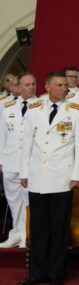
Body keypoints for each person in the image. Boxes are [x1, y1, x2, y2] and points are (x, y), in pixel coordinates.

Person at [18, 72, 79, 285]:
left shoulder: (76, 111)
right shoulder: (34, 109)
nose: (63, 88)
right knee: (38, 228)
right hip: (37, 176)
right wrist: (24, 173)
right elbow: (27, 144)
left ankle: (57, 273)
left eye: (65, 85)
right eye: (59, 85)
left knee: (59, 229)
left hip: (61, 178)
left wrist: (77, 175)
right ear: (47, 87)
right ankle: (37, 272)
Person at [0, 72, 38, 248]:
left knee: (29, 200)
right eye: (26, 85)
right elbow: (2, 135)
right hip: (10, 160)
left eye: (33, 84)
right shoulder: (7, 106)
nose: (30, 88)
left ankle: (27, 234)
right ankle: (16, 232)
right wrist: (1, 160)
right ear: (18, 87)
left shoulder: (41, 105)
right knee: (14, 200)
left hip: (30, 162)